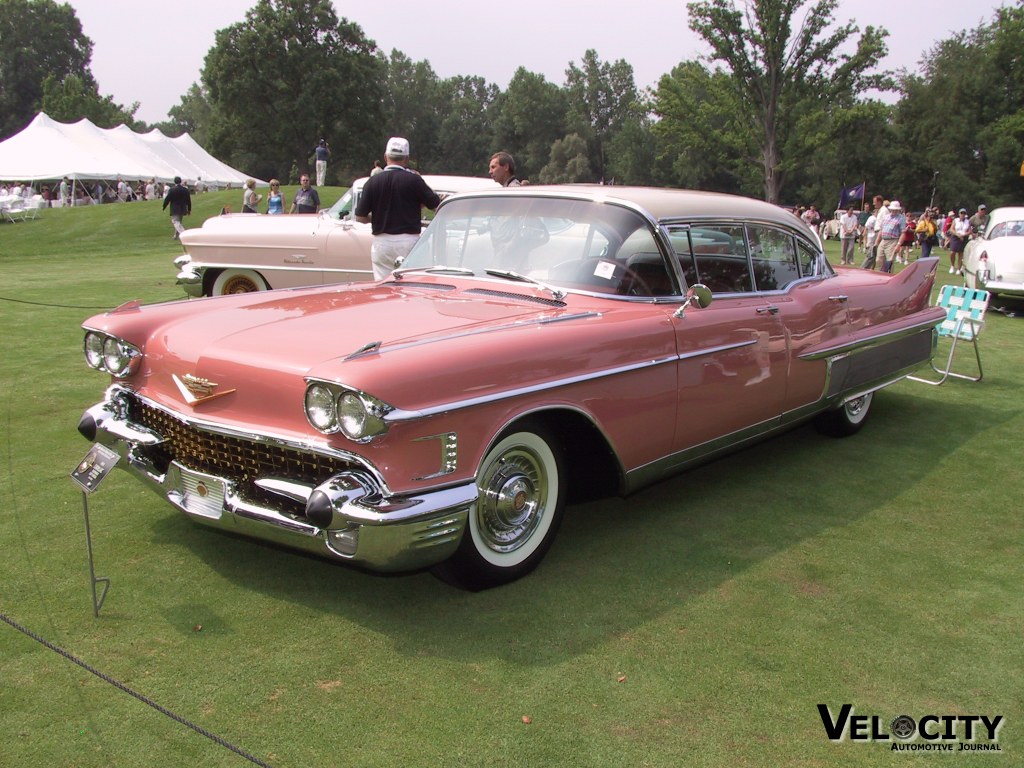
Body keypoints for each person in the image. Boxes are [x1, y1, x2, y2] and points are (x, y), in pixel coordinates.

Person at [354, 136, 441, 279]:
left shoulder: (373, 181)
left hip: (382, 242)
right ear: (406, 159)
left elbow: (360, 217)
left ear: (385, 156)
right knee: (410, 286)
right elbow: (436, 205)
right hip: (408, 241)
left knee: (383, 288)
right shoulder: (414, 180)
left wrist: (376, 218)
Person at [877, 200, 905, 273]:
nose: (894, 211)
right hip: (883, 240)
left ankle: (888, 276)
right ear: (890, 209)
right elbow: (881, 230)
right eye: (893, 209)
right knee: (879, 259)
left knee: (890, 261)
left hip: (893, 240)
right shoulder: (886, 217)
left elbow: (903, 233)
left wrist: (898, 245)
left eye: (896, 210)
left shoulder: (901, 218)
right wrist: (877, 242)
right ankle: (881, 273)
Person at [162, 175, 192, 239]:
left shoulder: (172, 190)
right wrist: (189, 209)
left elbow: (167, 199)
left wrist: (164, 206)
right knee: (179, 222)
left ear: (174, 182)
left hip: (175, 208)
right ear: (180, 181)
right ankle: (176, 236)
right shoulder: (185, 190)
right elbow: (188, 200)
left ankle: (184, 234)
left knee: (175, 222)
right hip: (183, 207)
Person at [948, 208, 971, 274]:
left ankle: (959, 268)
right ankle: (952, 266)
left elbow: (969, 231)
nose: (962, 214)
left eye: (964, 213)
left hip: (964, 237)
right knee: (952, 252)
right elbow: (951, 229)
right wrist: (958, 235)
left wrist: (963, 235)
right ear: (959, 214)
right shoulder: (955, 220)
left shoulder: (967, 221)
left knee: (961, 253)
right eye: (961, 213)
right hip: (956, 236)